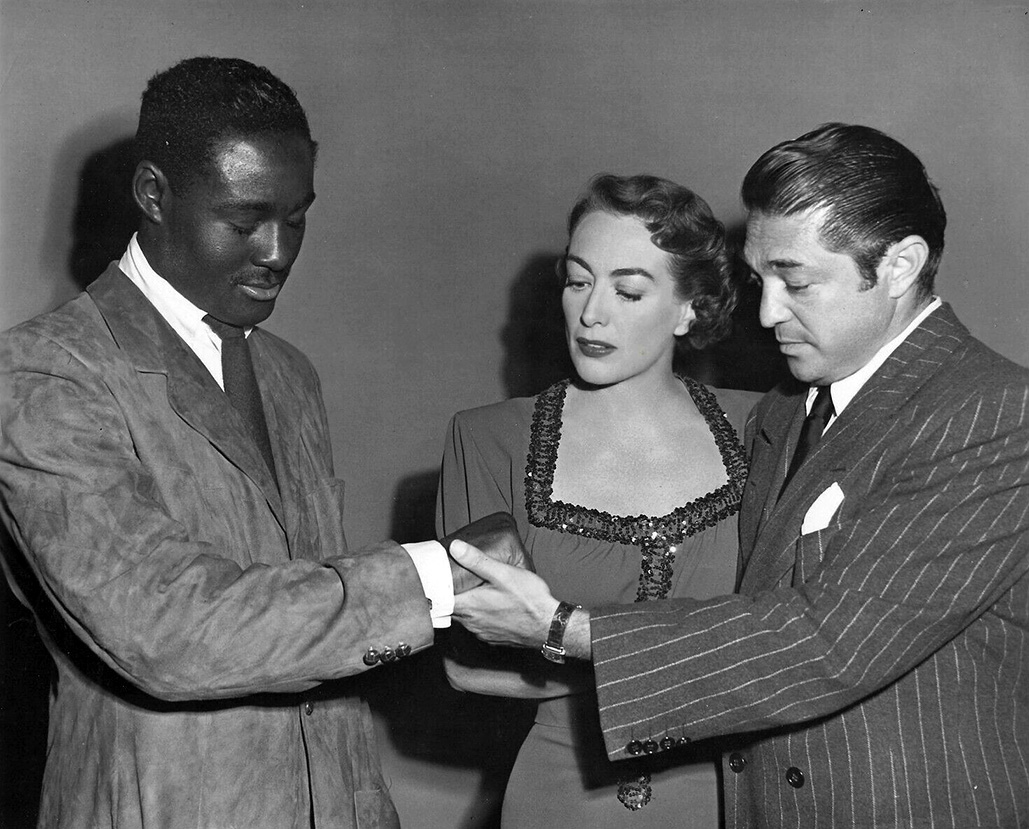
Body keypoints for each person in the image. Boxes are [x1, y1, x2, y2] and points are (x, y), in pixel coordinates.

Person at [446, 124, 1029, 829]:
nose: (765, 311)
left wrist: (567, 627)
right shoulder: (787, 416)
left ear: (900, 265)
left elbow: (827, 641)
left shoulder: (993, 412)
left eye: (796, 281)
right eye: (759, 280)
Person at [0, 56, 525, 829]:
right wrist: (432, 573)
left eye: (298, 216)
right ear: (153, 195)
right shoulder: (45, 372)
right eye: (245, 221)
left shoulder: (287, 373)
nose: (279, 251)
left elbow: (310, 634)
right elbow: (166, 629)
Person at [436, 174, 760, 826]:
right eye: (578, 280)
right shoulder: (487, 437)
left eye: (628, 289)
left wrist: (574, 639)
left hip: (732, 794)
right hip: (560, 794)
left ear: (689, 309)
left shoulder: (769, 431)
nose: (591, 313)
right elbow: (470, 661)